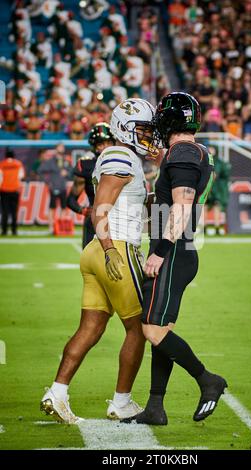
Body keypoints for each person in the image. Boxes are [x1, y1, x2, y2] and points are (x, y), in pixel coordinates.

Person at [40, 98, 159, 424]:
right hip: (114, 249)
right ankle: (121, 402)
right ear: (124, 128)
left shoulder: (124, 158)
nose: (148, 136)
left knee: (91, 327)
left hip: (97, 249)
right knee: (140, 329)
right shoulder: (121, 155)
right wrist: (109, 249)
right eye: (144, 130)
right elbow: (101, 207)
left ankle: (58, 391)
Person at [123, 92, 228, 426]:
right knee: (162, 330)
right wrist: (161, 168)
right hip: (181, 249)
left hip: (173, 250)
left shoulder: (183, 151)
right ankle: (155, 407)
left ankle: (207, 380)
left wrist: (160, 252)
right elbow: (174, 199)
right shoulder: (190, 151)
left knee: (152, 330)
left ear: (170, 120)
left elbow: (181, 206)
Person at [67, 123, 115, 248]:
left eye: (108, 143)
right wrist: (83, 210)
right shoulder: (86, 165)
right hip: (95, 219)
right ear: (94, 147)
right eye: (101, 144)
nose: (105, 147)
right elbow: (71, 199)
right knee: (91, 263)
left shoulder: (124, 163)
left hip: (117, 218)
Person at [38, 143, 72, 233]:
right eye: (60, 147)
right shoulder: (51, 161)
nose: (62, 148)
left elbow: (71, 173)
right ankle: (51, 227)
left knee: (63, 207)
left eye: (63, 147)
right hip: (54, 187)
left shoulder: (66, 160)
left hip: (63, 187)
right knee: (52, 207)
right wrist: (48, 182)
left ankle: (60, 226)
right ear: (56, 149)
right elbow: (40, 171)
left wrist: (67, 173)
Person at [205, 146, 231, 235]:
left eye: (213, 149)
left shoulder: (219, 162)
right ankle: (204, 227)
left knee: (216, 206)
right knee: (204, 206)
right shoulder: (204, 160)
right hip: (206, 186)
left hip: (215, 188)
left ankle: (216, 227)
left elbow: (219, 174)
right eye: (210, 149)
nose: (211, 151)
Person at [0, 149, 25, 236]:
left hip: (4, 190)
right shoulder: (18, 164)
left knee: (5, 211)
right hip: (15, 190)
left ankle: (4, 231)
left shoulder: (2, 164)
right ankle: (14, 230)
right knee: (14, 211)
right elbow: (21, 176)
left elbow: (0, 178)